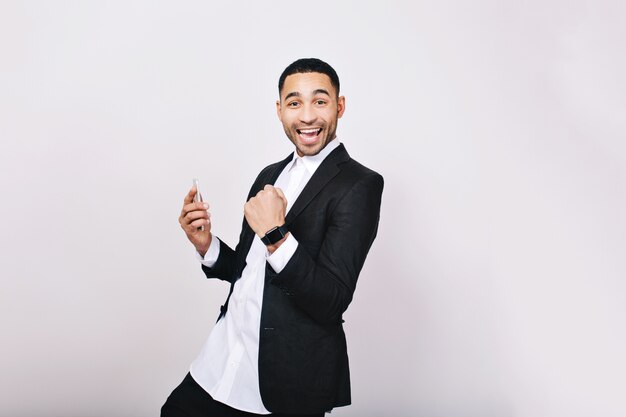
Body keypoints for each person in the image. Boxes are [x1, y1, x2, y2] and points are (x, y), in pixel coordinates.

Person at [162, 58, 384, 417]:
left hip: (285, 387)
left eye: (320, 101)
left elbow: (332, 300)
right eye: (295, 103)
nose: (307, 116)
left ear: (339, 107)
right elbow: (248, 272)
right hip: (219, 364)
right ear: (280, 111)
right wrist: (206, 244)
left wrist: (275, 235)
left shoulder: (359, 185)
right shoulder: (270, 174)